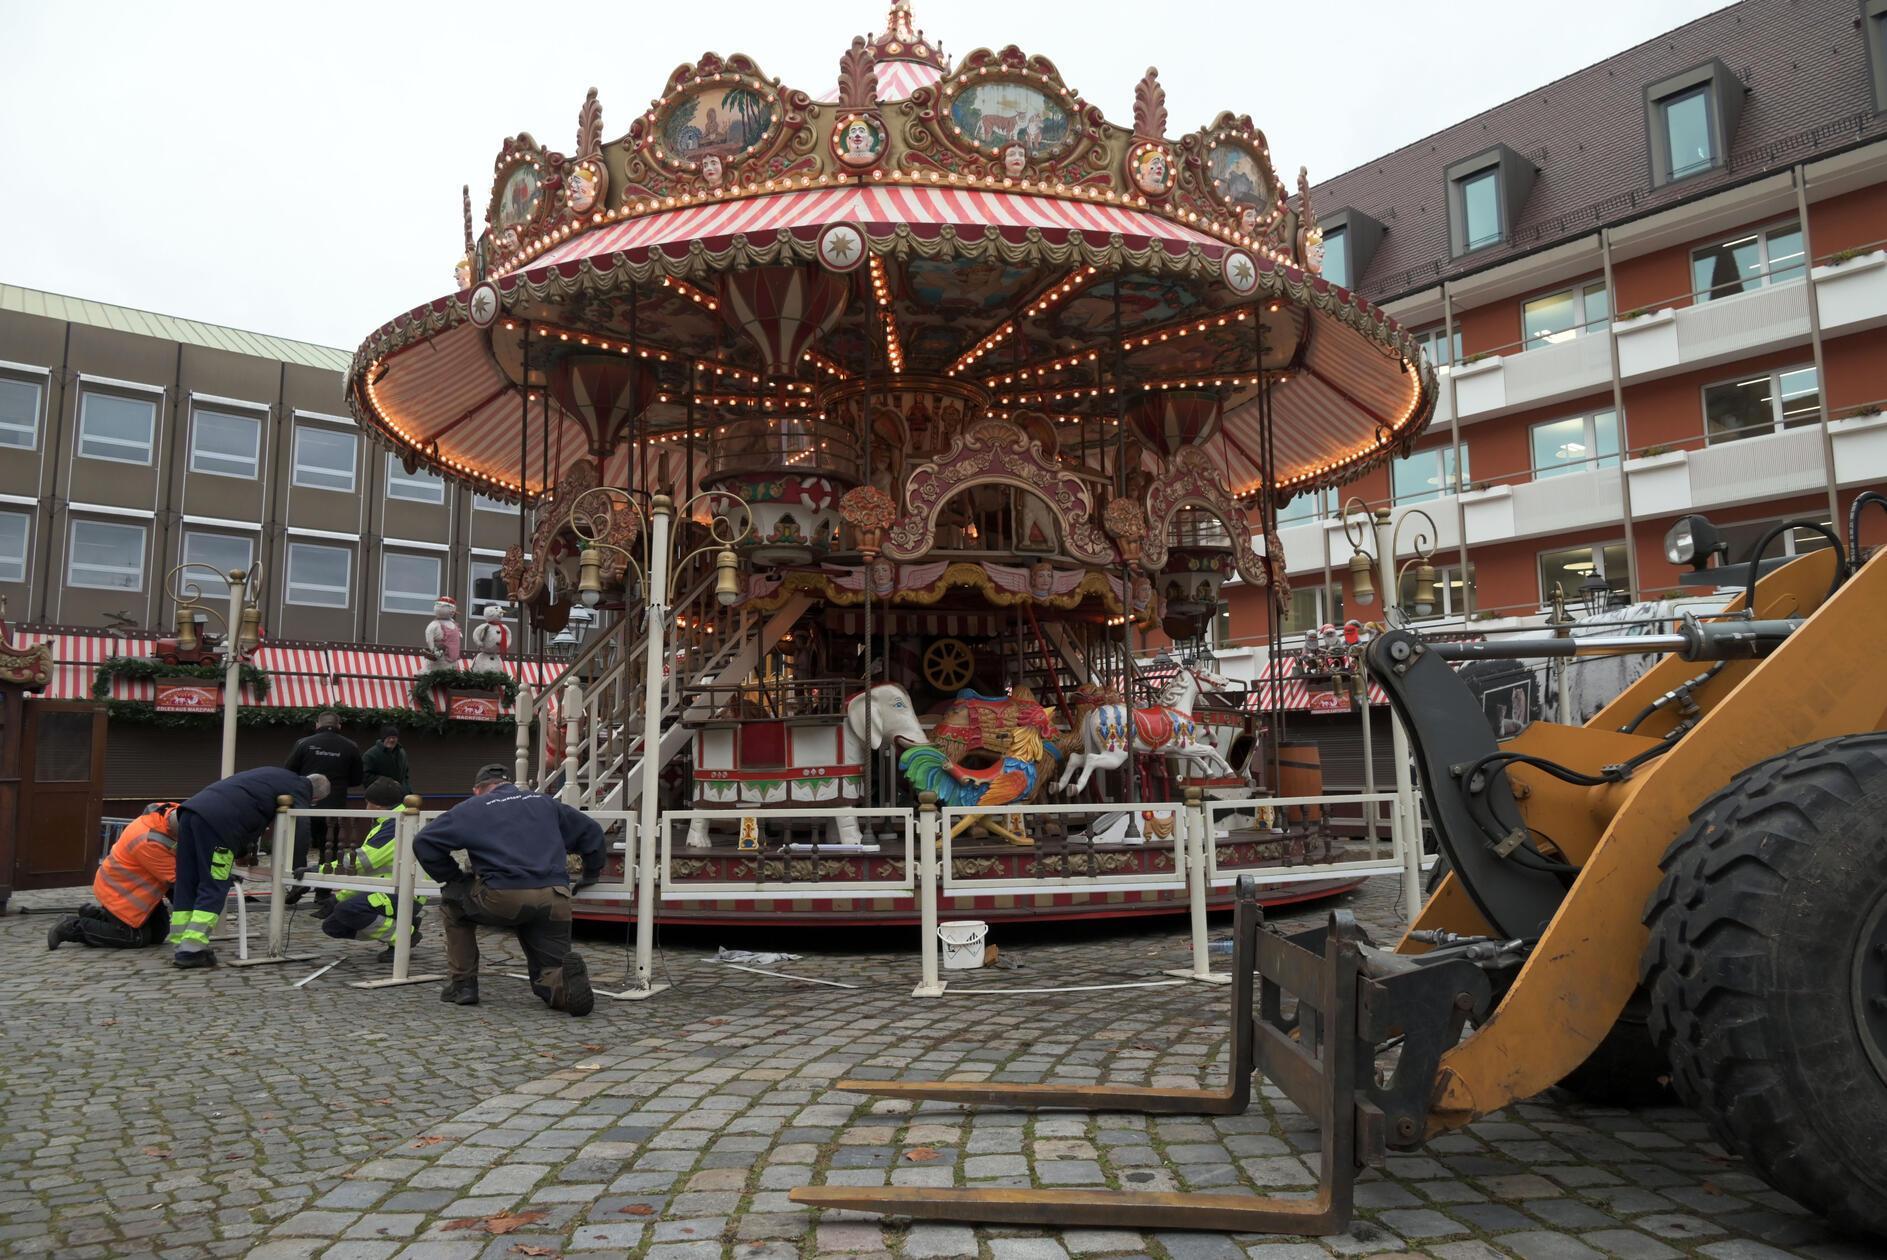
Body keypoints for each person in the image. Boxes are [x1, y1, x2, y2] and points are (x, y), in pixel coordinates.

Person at [411, 763, 601, 1015]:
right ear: (510, 784)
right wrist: (591, 872)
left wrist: (453, 878)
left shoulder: (474, 807)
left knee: (452, 905)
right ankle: (563, 986)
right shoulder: (544, 803)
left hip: (503, 895)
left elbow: (424, 841)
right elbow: (591, 831)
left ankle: (463, 985)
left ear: (477, 789)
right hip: (555, 895)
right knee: (549, 967)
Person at [170, 768, 328, 969]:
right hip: (220, 823)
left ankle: (180, 941)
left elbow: (248, 808)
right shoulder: (300, 788)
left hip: (190, 812)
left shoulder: (276, 775)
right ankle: (191, 950)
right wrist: (298, 866)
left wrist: (243, 850)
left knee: (188, 880)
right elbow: (300, 824)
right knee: (215, 882)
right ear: (315, 798)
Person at [47, 802, 181, 950]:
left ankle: (95, 916)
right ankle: (70, 927)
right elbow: (176, 884)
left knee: (157, 934)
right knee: (134, 938)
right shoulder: (151, 841)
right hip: (120, 892)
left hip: (135, 890)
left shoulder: (170, 813)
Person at [318, 777, 421, 958]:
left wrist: (317, 870)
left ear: (378, 806)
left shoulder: (396, 824)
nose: (366, 808)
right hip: (388, 888)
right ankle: (402, 925)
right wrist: (338, 898)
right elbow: (371, 872)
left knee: (348, 911)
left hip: (405, 893)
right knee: (334, 925)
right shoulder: (389, 822)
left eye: (367, 803)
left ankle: (404, 937)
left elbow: (362, 862)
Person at [285, 711, 365, 869]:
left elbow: (289, 772)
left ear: (317, 725)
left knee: (298, 845)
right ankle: (325, 880)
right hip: (334, 805)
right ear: (339, 726)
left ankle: (297, 876)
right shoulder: (350, 746)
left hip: (305, 804)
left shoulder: (303, 744)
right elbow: (357, 779)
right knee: (330, 848)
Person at [361, 726, 411, 795]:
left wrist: (408, 790)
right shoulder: (371, 755)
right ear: (383, 738)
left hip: (401, 795)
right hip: (380, 795)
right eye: (389, 737)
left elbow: (405, 775)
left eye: (394, 737)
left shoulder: (402, 753)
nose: (391, 740)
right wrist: (389, 782)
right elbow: (365, 776)